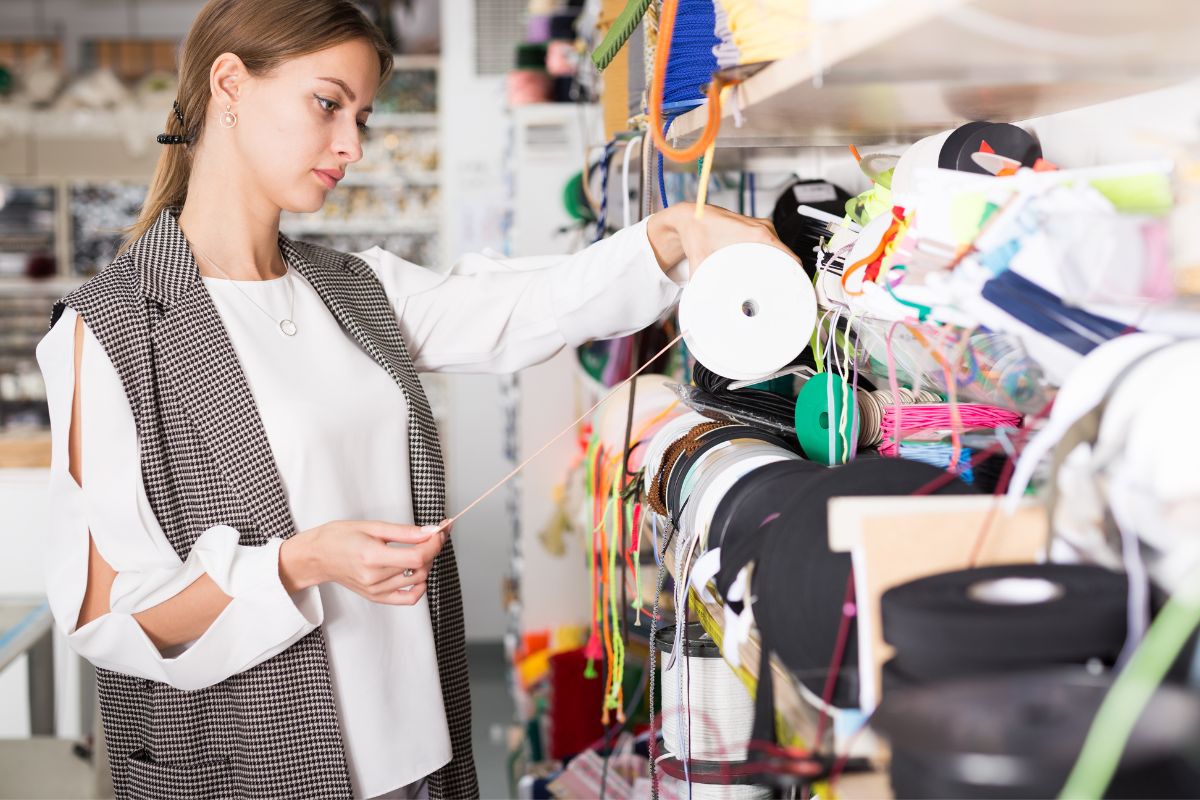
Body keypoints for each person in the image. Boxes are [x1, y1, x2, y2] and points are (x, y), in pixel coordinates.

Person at [34, 1, 788, 798]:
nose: (352, 145)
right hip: (258, 768)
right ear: (230, 83)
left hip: (419, 756)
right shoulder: (112, 328)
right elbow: (112, 613)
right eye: (328, 104)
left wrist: (671, 235)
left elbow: (522, 310)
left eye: (360, 115)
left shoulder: (352, 289)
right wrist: (299, 563)